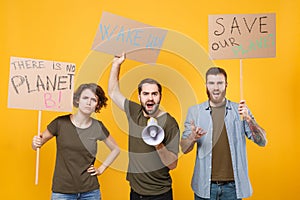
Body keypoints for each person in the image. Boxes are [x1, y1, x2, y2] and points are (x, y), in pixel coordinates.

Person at [180, 67, 267, 200]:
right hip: (204, 187)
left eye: (220, 83)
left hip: (232, 187)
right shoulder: (195, 112)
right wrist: (192, 137)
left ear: (226, 84)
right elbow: (184, 149)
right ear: (206, 85)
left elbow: (262, 141)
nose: (216, 88)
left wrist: (248, 119)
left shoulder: (240, 110)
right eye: (211, 83)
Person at [108, 53, 180, 200]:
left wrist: (158, 143)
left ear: (160, 96)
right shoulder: (135, 112)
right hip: (136, 192)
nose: (150, 98)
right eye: (145, 94)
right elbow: (113, 92)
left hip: (160, 194)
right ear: (139, 97)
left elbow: (173, 164)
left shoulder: (169, 123)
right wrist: (116, 64)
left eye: (154, 94)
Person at [32, 83, 120, 200]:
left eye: (93, 100)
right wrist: (35, 142)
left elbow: (116, 149)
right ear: (78, 100)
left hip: (90, 192)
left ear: (97, 105)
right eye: (85, 98)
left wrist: (101, 169)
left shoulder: (97, 127)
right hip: (62, 192)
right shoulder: (60, 123)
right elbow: (37, 145)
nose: (88, 102)